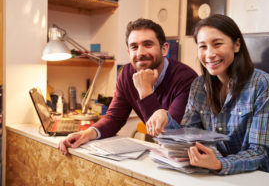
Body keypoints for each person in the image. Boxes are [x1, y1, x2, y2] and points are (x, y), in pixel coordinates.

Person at [146, 14, 269, 175]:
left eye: (217, 44)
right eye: (203, 46)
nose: (209, 54)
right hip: (214, 174)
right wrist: (165, 116)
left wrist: (219, 164)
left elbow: (259, 151)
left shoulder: (262, 83)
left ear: (236, 45)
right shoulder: (199, 85)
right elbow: (188, 135)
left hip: (258, 176)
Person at [58, 18, 198, 154]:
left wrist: (145, 92)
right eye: (134, 47)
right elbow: (114, 118)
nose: (140, 53)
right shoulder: (126, 74)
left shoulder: (187, 79)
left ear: (164, 49)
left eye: (148, 44)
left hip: (186, 156)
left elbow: (171, 138)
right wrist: (86, 134)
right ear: (129, 52)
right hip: (161, 155)